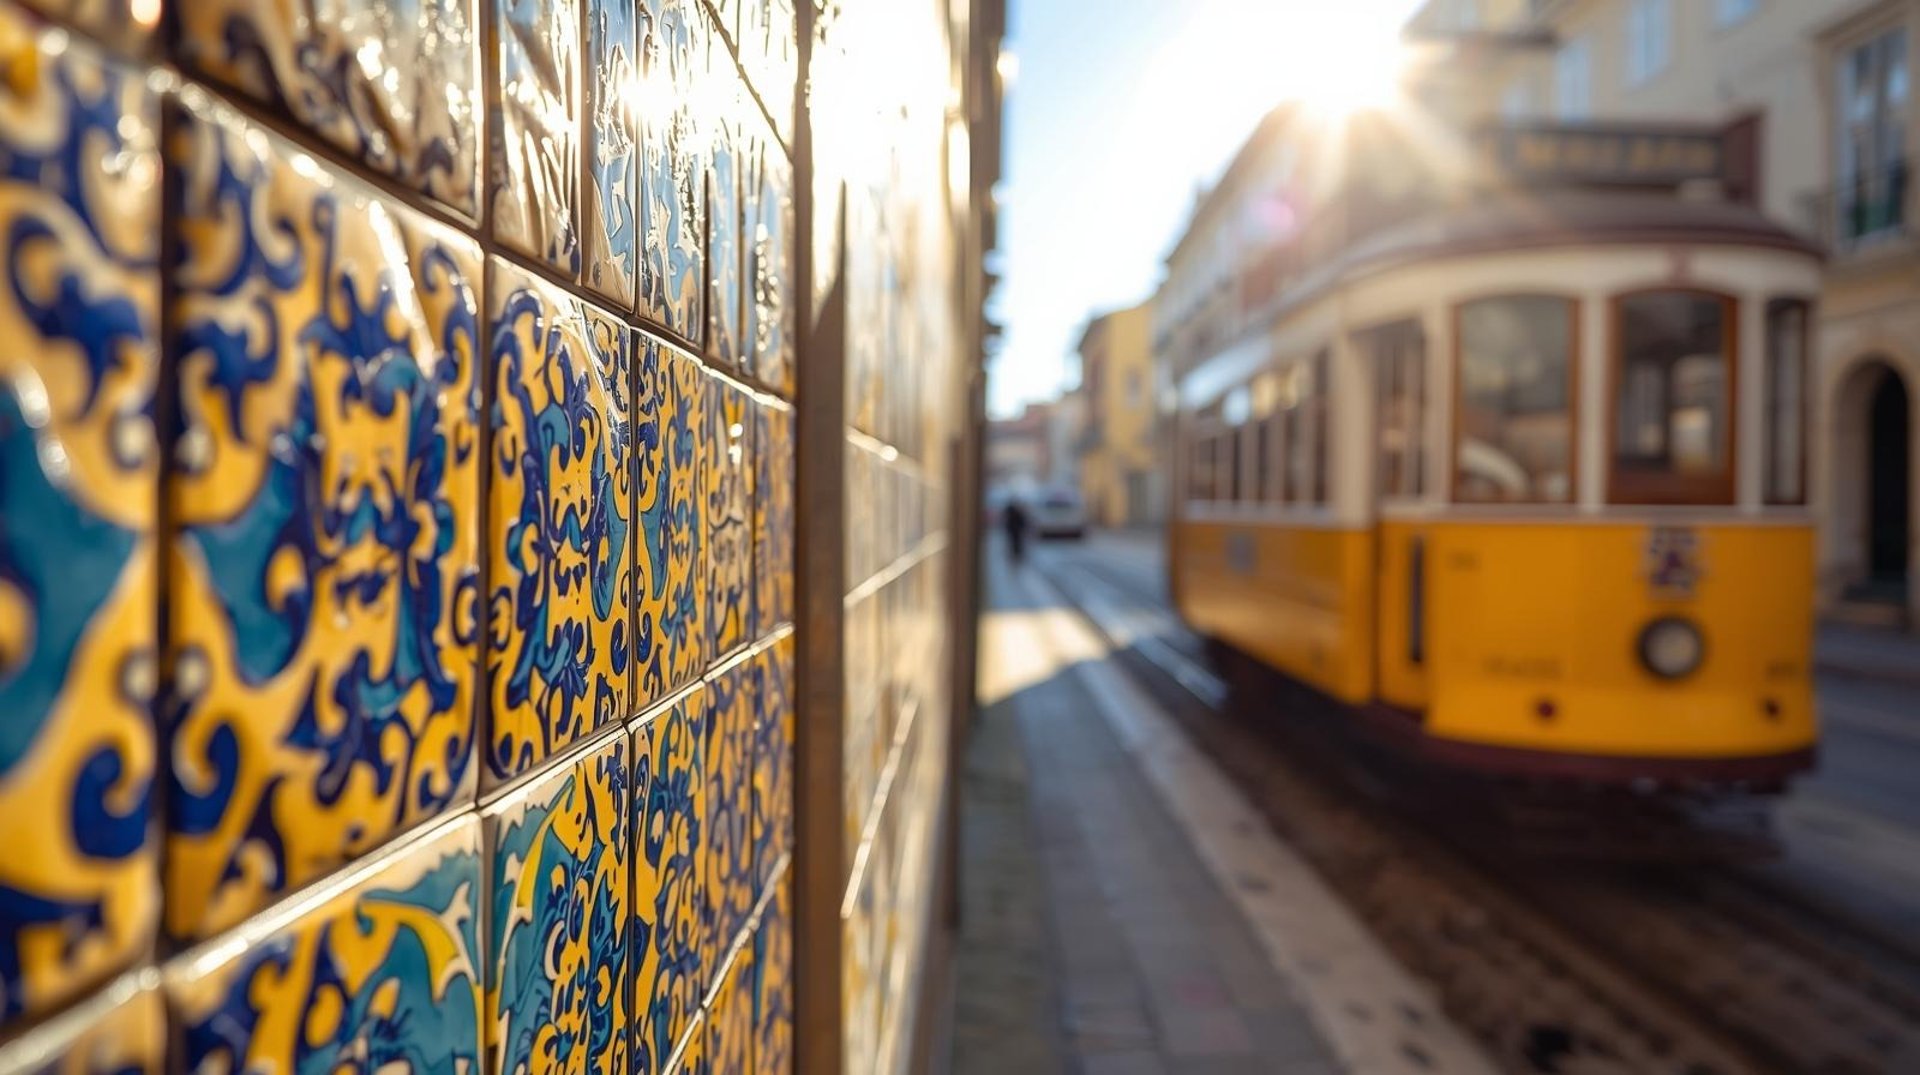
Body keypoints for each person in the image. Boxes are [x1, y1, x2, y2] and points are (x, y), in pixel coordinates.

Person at [1002, 496, 1030, 565]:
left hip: (1014, 530)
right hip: (1015, 530)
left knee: (1015, 541)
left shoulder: (1012, 512)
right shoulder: (1016, 512)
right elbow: (1022, 521)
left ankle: (1016, 552)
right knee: (1016, 541)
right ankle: (1016, 552)